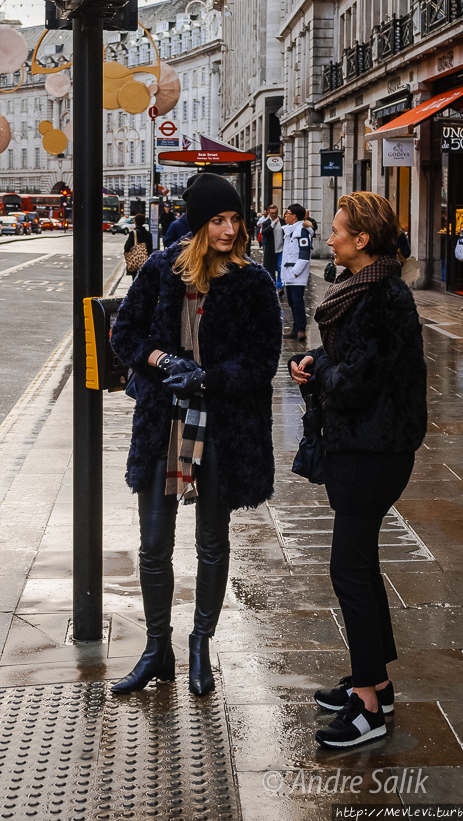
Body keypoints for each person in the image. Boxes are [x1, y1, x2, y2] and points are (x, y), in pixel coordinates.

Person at [110, 173, 282, 697]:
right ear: (199, 224)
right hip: (165, 422)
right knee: (154, 545)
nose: (230, 229)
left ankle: (201, 644)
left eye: (235, 219)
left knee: (212, 540)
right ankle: (156, 649)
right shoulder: (163, 270)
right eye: (219, 220)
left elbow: (262, 362)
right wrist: (163, 360)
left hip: (222, 427)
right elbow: (124, 334)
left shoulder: (253, 281)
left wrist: (208, 377)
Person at [290, 192, 427, 750]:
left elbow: (360, 379)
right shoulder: (364, 289)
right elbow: (344, 357)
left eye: (338, 230)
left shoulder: (382, 298)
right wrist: (313, 362)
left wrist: (322, 378)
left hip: (373, 450)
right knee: (361, 566)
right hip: (364, 447)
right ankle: (378, 683)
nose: (329, 237)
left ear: (362, 240)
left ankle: (367, 705)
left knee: (348, 569)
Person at [281, 203, 313, 342]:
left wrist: (295, 272)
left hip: (296, 274)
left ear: (294, 216)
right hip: (289, 273)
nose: (285, 216)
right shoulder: (290, 230)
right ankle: (295, 328)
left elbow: (304, 253)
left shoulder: (302, 231)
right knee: (292, 302)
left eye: (287, 213)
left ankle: (301, 329)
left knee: (298, 301)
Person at [260, 204, 284, 289]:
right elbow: (265, 233)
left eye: (276, 213)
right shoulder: (266, 223)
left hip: (281, 250)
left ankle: (280, 287)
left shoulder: (282, 221)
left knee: (280, 268)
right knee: (271, 270)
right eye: (272, 213)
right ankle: (273, 287)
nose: (274, 215)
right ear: (269, 213)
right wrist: (273, 224)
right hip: (271, 251)